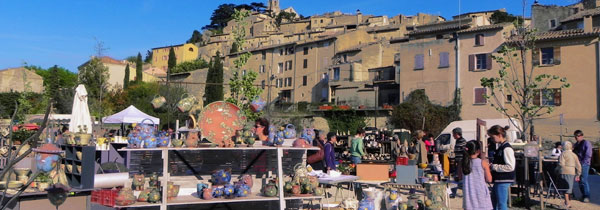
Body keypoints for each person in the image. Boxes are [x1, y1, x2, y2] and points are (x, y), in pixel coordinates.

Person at [489, 125, 515, 210]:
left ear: (499, 135)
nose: (492, 140)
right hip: (498, 180)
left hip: (503, 180)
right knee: (494, 203)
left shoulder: (506, 148)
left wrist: (494, 166)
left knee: (501, 204)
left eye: (493, 137)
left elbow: (510, 166)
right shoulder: (501, 147)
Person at [462, 140, 493, 210]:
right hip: (481, 195)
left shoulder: (462, 163)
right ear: (478, 151)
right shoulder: (482, 162)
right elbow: (489, 179)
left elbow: (460, 177)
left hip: (468, 196)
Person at [558, 141, 581, 208]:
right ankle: (567, 202)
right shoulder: (574, 155)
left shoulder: (563, 154)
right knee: (569, 186)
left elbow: (561, 164)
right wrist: (578, 174)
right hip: (572, 172)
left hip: (564, 171)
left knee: (565, 187)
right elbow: (578, 165)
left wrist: (557, 170)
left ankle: (567, 203)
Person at [573, 130, 592, 203]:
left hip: (584, 164)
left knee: (584, 180)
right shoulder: (576, 144)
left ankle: (587, 196)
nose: (576, 138)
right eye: (575, 136)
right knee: (579, 180)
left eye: (577, 136)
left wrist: (582, 163)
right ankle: (583, 195)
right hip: (577, 164)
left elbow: (588, 154)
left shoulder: (586, 143)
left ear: (581, 136)